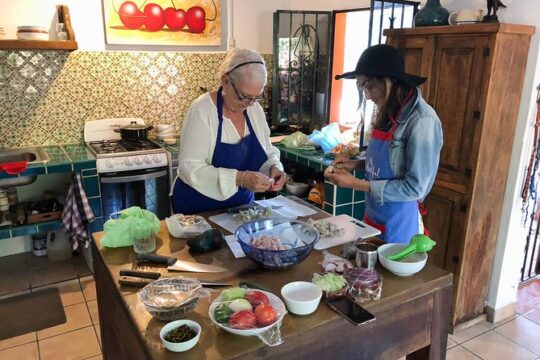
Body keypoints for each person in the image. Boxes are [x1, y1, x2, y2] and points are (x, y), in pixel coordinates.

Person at [324, 44, 443, 244]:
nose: (368, 95)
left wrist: (356, 184)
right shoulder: (388, 112)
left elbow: (415, 189)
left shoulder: (423, 121)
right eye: (363, 87)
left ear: (392, 82)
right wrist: (356, 164)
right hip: (374, 215)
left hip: (399, 222)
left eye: (370, 85)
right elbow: (389, 163)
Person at [171, 48, 287, 214]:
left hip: (241, 208)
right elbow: (190, 167)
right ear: (225, 81)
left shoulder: (255, 110)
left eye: (257, 96)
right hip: (199, 210)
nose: (251, 103)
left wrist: (274, 168)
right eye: (244, 96)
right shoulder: (202, 110)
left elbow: (267, 150)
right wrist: (240, 178)